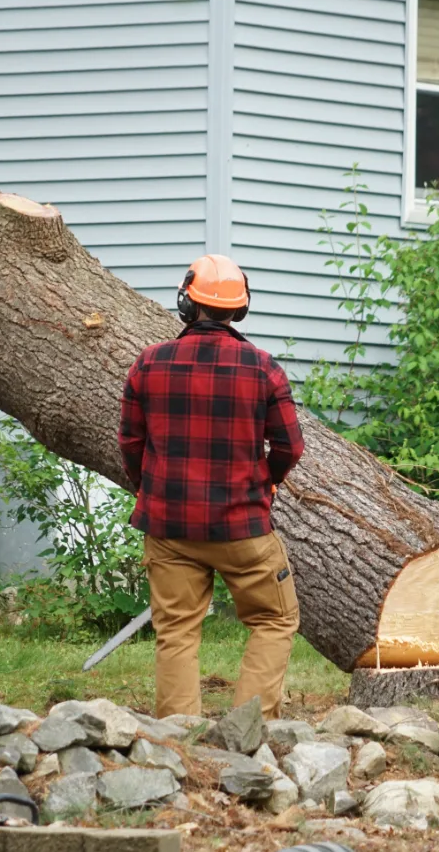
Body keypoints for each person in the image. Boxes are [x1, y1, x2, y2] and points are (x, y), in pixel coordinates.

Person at [118, 254, 304, 721]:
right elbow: (289, 447)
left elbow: (131, 443)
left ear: (187, 301)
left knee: (176, 631)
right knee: (275, 619)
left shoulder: (148, 363)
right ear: (239, 309)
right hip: (242, 527)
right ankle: (250, 729)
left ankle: (177, 743)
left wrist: (154, 491)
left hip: (168, 527)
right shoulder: (264, 369)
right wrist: (267, 482)